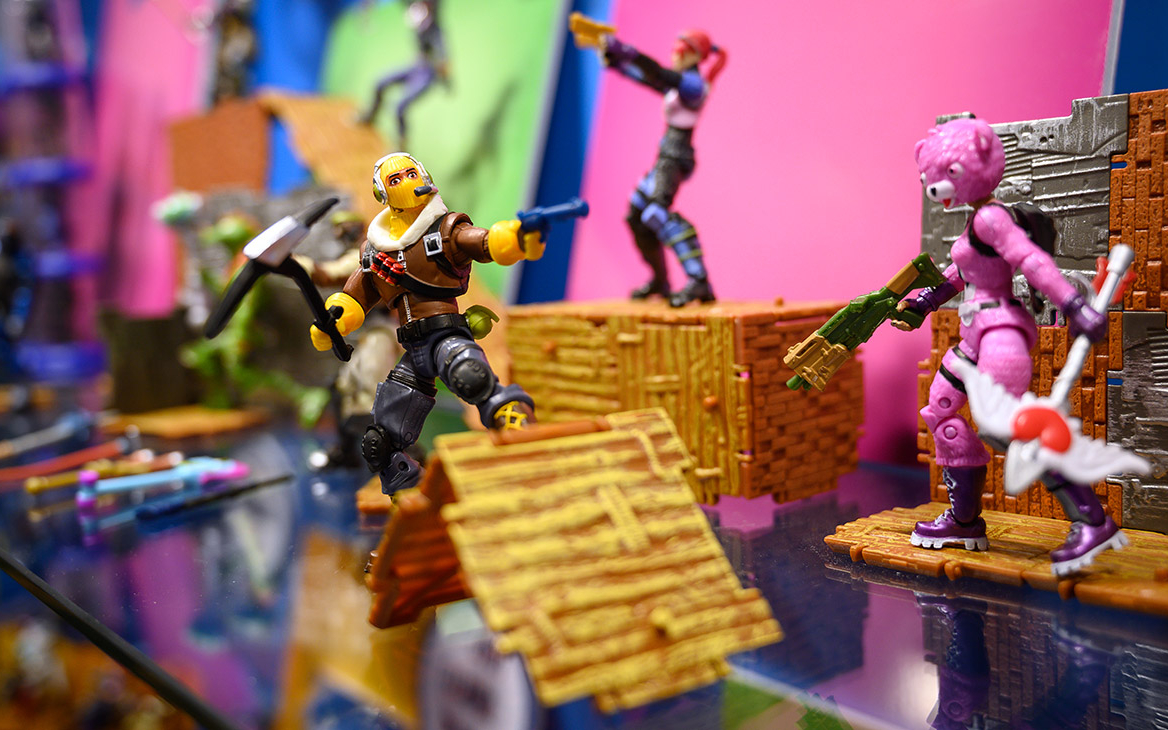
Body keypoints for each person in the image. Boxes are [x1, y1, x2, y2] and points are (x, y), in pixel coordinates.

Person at [310, 152, 540, 494]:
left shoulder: (444, 230)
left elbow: (482, 242)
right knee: (380, 441)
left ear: (425, 177)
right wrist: (333, 322)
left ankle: (523, 439)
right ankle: (410, 496)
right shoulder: (375, 249)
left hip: (445, 334)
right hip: (412, 351)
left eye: (410, 174)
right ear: (382, 193)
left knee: (472, 379)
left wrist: (513, 239)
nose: (406, 183)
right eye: (395, 180)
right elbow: (355, 297)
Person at [587, 26, 725, 306]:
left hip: (675, 158)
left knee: (656, 213)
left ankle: (699, 281)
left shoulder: (693, 85)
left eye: (681, 51)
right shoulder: (681, 83)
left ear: (694, 55)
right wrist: (617, 62)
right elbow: (650, 79)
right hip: (665, 156)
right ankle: (660, 281)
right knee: (636, 214)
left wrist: (627, 52)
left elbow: (659, 73)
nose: (675, 56)